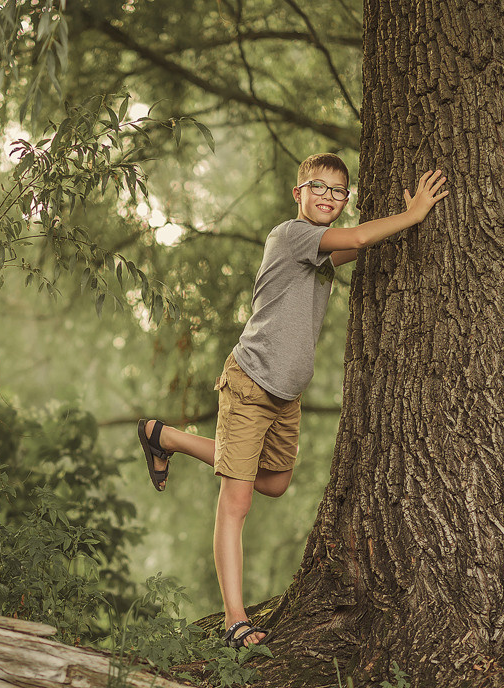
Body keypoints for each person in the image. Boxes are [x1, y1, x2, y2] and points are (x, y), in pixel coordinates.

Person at [138, 153, 449, 648]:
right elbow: (360, 238)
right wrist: (413, 215)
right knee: (235, 503)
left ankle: (165, 437)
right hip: (251, 382)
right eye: (317, 186)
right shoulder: (291, 235)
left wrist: (400, 226)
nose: (328, 196)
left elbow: (356, 245)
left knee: (275, 483)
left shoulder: (319, 249)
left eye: (338, 191)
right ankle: (235, 621)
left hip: (286, 395)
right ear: (297, 193)